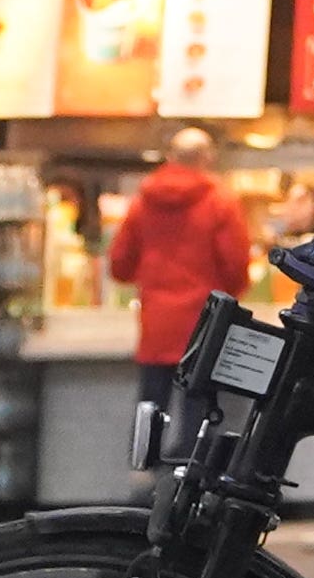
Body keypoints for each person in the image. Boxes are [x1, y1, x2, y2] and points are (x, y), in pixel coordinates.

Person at [102, 132, 253, 426]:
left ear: (170, 156)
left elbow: (119, 264)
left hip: (156, 320)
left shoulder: (142, 202)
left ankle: (144, 468)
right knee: (197, 413)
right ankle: (189, 466)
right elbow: (236, 265)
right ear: (207, 157)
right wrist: (227, 298)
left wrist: (150, 280)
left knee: (152, 406)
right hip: (205, 321)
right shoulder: (221, 202)